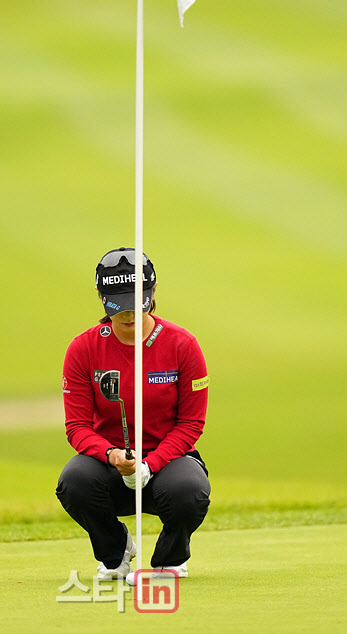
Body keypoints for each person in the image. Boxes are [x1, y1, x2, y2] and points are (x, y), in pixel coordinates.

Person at [56, 247, 211, 582]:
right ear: (101, 296)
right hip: (110, 464)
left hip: (167, 463)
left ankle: (171, 559)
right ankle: (116, 551)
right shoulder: (83, 349)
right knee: (74, 482)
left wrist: (148, 465)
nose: (128, 311)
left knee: (190, 490)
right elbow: (77, 427)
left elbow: (191, 424)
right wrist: (112, 455)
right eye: (118, 302)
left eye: (136, 300)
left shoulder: (183, 345)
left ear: (153, 292)